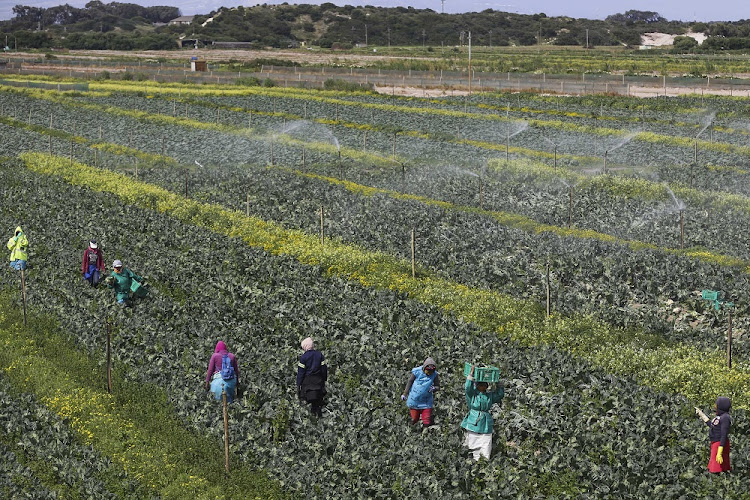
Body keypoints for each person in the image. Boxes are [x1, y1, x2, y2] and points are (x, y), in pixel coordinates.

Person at [461, 365, 505, 461]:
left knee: (486, 441)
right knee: (473, 440)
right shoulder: (472, 395)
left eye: (485, 385)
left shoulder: (489, 396)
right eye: (481, 385)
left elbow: (499, 395)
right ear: (477, 386)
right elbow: (467, 388)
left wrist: (499, 383)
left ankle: (484, 460)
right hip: (474, 419)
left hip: (485, 421)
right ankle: (473, 459)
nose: (483, 387)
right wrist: (471, 375)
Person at [696, 396, 732, 474]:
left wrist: (719, 451)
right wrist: (701, 415)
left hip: (720, 444)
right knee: (716, 464)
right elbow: (712, 425)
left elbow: (724, 434)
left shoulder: (725, 417)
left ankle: (718, 482)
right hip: (715, 443)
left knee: (716, 467)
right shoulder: (719, 416)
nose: (715, 405)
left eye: (716, 404)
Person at [401, 357, 439, 427]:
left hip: (427, 400)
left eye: (431, 372)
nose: (429, 373)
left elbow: (438, 386)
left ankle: (426, 433)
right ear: (424, 368)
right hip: (415, 399)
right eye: (428, 371)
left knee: (427, 420)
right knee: (415, 418)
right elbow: (410, 382)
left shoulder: (435, 375)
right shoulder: (417, 372)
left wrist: (434, 388)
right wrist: (405, 393)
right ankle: (412, 430)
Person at [296, 337, 327, 417]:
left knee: (308, 404)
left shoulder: (303, 357)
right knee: (318, 403)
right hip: (318, 382)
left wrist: (298, 384)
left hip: (307, 383)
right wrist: (324, 379)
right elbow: (324, 369)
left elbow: (301, 373)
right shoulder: (319, 355)